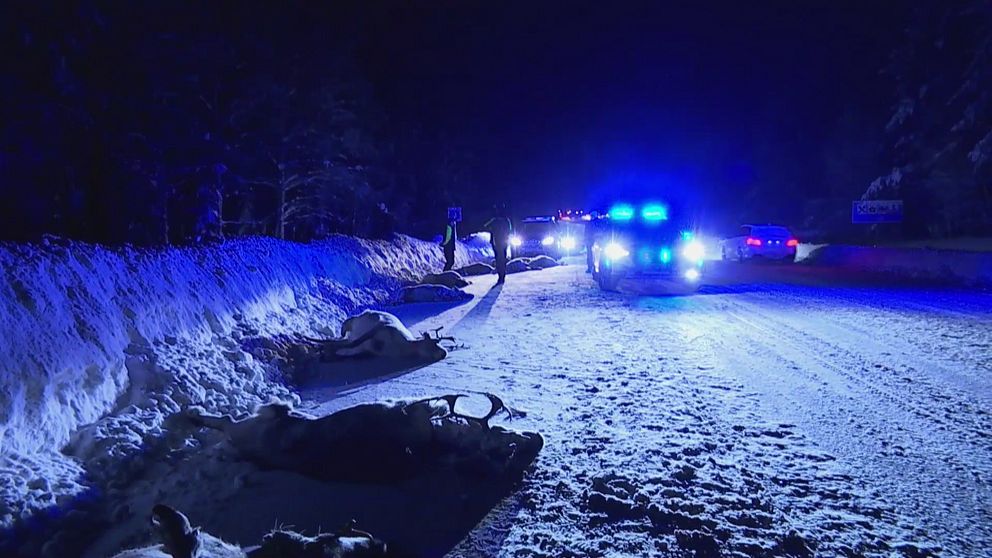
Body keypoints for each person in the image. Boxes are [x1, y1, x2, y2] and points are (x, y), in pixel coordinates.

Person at [483, 205, 513, 283]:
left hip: (496, 242)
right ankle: (502, 275)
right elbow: (510, 230)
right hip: (504, 241)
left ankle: (500, 276)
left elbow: (485, 226)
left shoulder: (494, 220)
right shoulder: (507, 220)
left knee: (498, 258)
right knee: (503, 258)